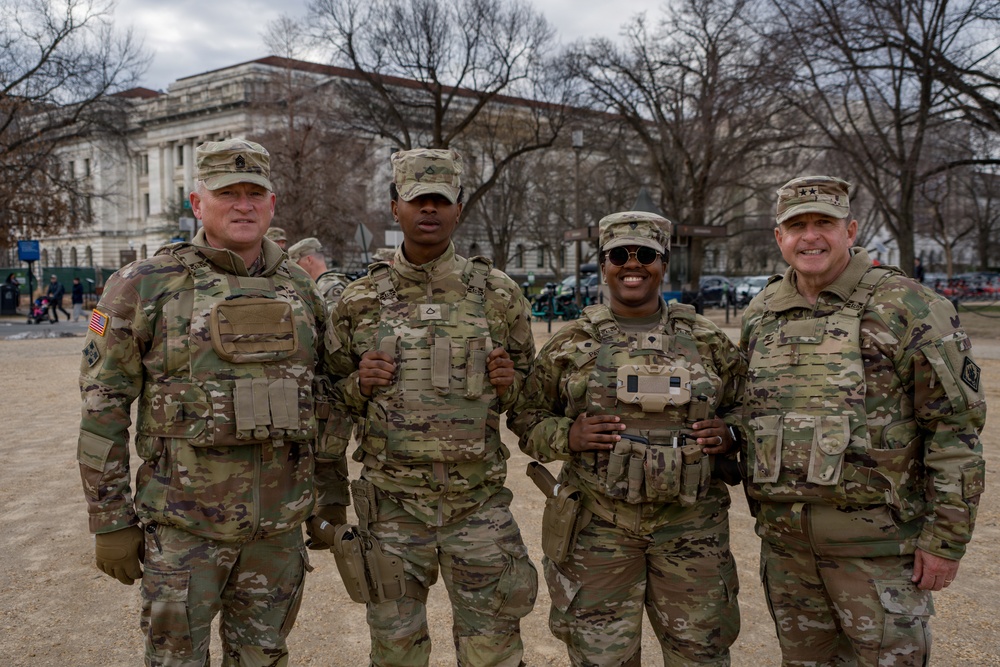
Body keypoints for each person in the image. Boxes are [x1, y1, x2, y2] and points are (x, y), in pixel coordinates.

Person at [77, 138, 346, 666]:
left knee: (264, 658)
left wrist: (328, 495)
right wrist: (108, 519)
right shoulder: (139, 286)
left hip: (276, 533)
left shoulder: (300, 288)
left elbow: (326, 399)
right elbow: (101, 407)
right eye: (228, 193)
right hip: (183, 533)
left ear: (271, 205)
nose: (243, 205)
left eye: (255, 193)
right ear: (197, 204)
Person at [740, 176, 987, 666]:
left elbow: (953, 431)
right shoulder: (762, 313)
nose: (811, 237)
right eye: (797, 225)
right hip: (788, 555)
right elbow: (744, 414)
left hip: (880, 556)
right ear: (779, 237)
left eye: (824, 224)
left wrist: (945, 542)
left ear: (850, 230)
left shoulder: (908, 306)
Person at [322, 147, 538, 666]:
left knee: (494, 651)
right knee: (396, 652)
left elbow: (534, 401)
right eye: (417, 200)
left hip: (478, 506)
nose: (429, 210)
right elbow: (325, 401)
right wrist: (358, 383)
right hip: (393, 509)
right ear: (394, 206)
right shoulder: (358, 300)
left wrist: (512, 384)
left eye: (441, 200)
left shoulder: (498, 295)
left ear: (459, 207)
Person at [510, 211, 744, 666]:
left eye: (646, 255)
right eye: (619, 254)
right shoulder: (570, 344)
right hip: (599, 530)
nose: (631, 264)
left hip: (691, 528)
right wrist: (568, 435)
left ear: (664, 263)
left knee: (702, 654)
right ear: (603, 263)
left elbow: (749, 407)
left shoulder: (708, 341)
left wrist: (731, 434)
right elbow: (525, 418)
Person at [287, 237, 351, 306]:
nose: (295, 269)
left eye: (297, 264)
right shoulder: (321, 285)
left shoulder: (328, 287)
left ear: (309, 260)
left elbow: (335, 316)